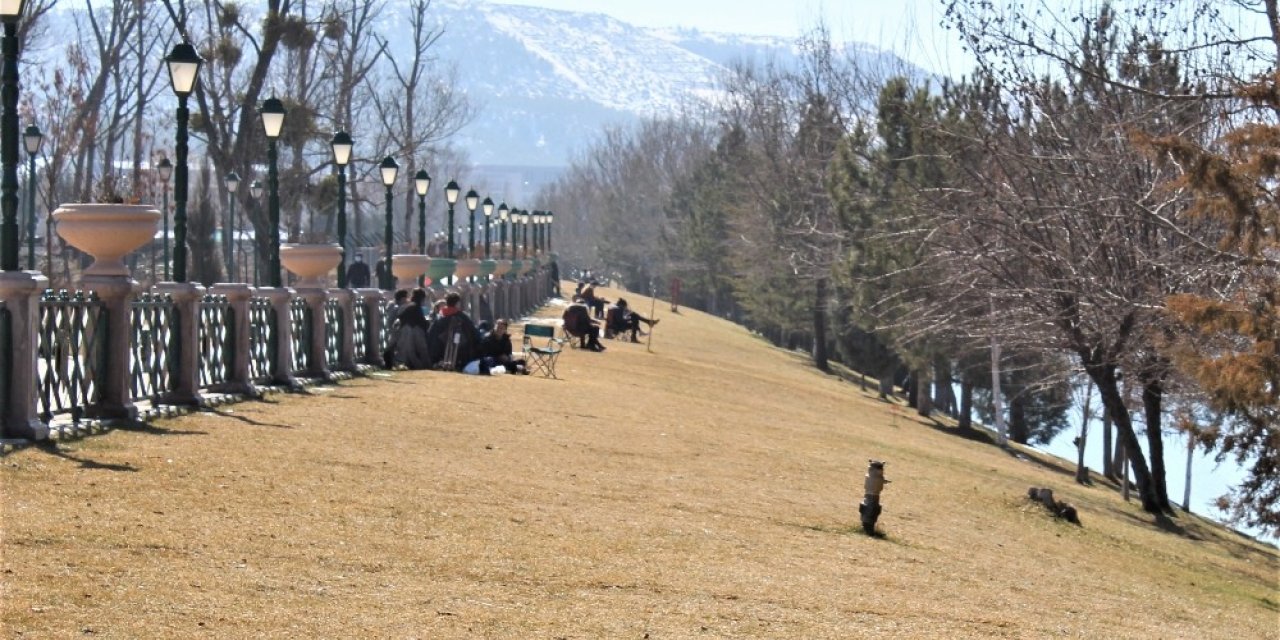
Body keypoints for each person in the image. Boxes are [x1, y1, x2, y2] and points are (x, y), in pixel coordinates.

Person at [426, 291, 481, 371]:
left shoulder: (440, 317)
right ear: (457, 303)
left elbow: (431, 335)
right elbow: (474, 332)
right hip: (461, 352)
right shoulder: (463, 317)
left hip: (440, 351)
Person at [391, 288, 432, 369]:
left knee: (410, 352)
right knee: (421, 349)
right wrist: (428, 323)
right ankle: (425, 366)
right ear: (422, 298)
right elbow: (422, 322)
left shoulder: (409, 306)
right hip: (413, 330)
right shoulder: (416, 307)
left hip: (404, 331)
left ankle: (421, 366)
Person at [381, 289, 411, 368]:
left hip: (391, 328)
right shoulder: (398, 307)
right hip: (395, 329)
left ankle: (390, 363)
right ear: (403, 298)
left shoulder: (392, 305)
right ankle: (391, 362)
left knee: (391, 346)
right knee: (393, 346)